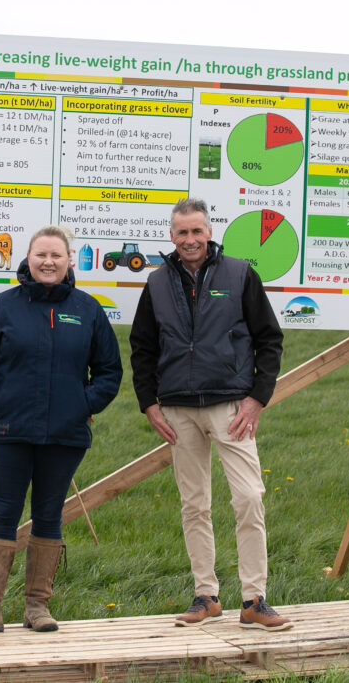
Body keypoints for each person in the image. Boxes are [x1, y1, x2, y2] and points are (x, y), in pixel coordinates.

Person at [129, 198, 292, 631]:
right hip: (178, 410)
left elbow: (269, 339)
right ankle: (206, 595)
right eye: (182, 233)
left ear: (209, 231)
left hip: (230, 408)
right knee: (194, 505)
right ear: (171, 236)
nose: (190, 240)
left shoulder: (239, 274)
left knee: (249, 498)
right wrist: (149, 403)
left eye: (197, 231)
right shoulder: (157, 282)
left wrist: (257, 398)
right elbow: (142, 348)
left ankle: (254, 599)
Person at [0, 225, 123, 637]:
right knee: (3, 513)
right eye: (40, 256)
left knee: (48, 516)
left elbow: (109, 371)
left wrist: (82, 406)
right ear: (27, 260)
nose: (48, 262)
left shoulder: (87, 309)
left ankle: (36, 607)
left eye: (56, 256)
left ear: (70, 261)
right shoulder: (3, 308)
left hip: (64, 436)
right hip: (8, 432)